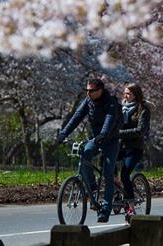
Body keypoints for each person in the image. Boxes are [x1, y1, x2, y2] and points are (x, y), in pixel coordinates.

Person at [55, 78, 121, 223]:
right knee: (84, 155)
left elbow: (110, 119)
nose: (88, 93)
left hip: (110, 140)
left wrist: (103, 134)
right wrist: (64, 133)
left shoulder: (111, 102)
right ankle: (92, 187)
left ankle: (105, 209)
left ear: (100, 90)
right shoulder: (88, 101)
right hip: (95, 139)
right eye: (87, 90)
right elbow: (77, 117)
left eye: (91, 91)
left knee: (108, 172)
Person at [117, 83, 151, 220]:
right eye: (124, 93)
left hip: (135, 148)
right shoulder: (120, 109)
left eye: (128, 94)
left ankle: (131, 207)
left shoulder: (143, 110)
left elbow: (140, 131)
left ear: (136, 95)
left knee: (125, 173)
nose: (125, 96)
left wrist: (119, 133)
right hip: (119, 146)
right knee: (105, 164)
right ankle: (117, 189)